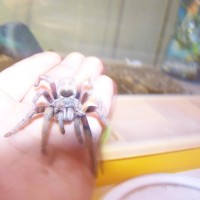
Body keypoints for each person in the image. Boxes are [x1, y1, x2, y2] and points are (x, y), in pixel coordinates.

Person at [0, 52, 114, 200]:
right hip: (60, 97)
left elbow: (91, 95)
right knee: (39, 111)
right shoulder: (51, 97)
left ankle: (93, 158)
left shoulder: (81, 98)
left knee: (92, 117)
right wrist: (35, 99)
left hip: (72, 98)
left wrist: (100, 115)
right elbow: (42, 88)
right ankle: (27, 136)